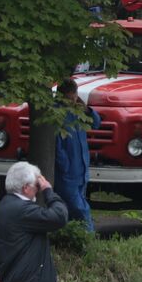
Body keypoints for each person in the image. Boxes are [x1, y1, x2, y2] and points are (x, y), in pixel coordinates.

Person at [53, 78, 99, 232]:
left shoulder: (78, 111)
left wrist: (86, 109)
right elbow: (57, 146)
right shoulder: (56, 114)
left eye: (74, 95)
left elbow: (96, 123)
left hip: (82, 169)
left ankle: (71, 238)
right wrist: (64, 166)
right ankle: (89, 238)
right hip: (67, 172)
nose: (73, 99)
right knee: (81, 209)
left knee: (74, 210)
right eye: (70, 96)